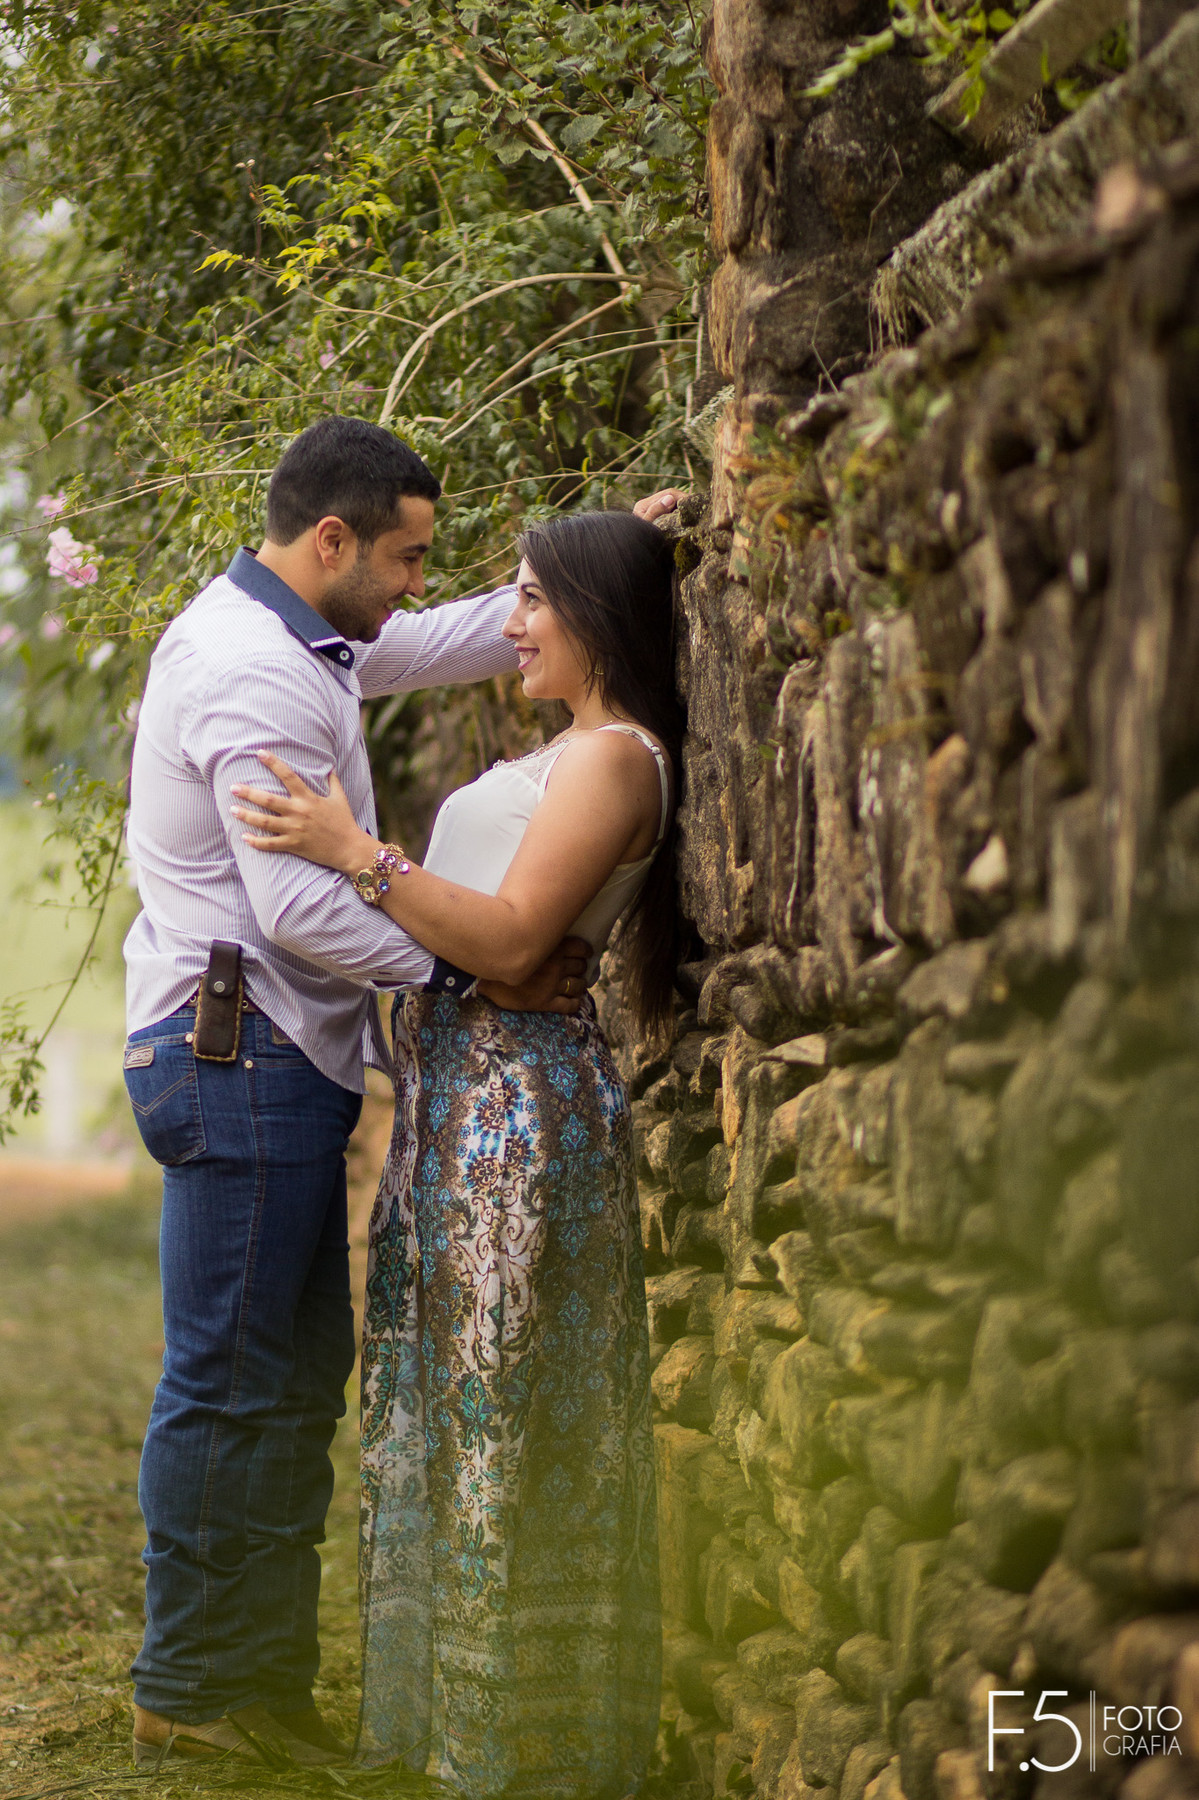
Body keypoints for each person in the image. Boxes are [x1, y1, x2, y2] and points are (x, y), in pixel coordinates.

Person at [121, 416, 634, 1772]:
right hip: (237, 1054)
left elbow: (430, 638)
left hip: (266, 1057)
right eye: (405, 557)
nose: (421, 583)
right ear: (332, 541)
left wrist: (601, 565)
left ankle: (251, 1682)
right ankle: (193, 1685)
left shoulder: (303, 632)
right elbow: (296, 909)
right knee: (234, 1379)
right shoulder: (254, 677)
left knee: (290, 1376)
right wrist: (474, 958)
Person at [228, 507, 683, 1798]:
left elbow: (510, 943)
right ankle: (450, 1729)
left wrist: (350, 852)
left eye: (534, 599)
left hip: (518, 1118)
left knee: (510, 1414)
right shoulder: (563, 749)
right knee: (442, 1409)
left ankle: (528, 1744)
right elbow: (484, 935)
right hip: (452, 1109)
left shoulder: (616, 758)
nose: (512, 621)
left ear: (597, 613)